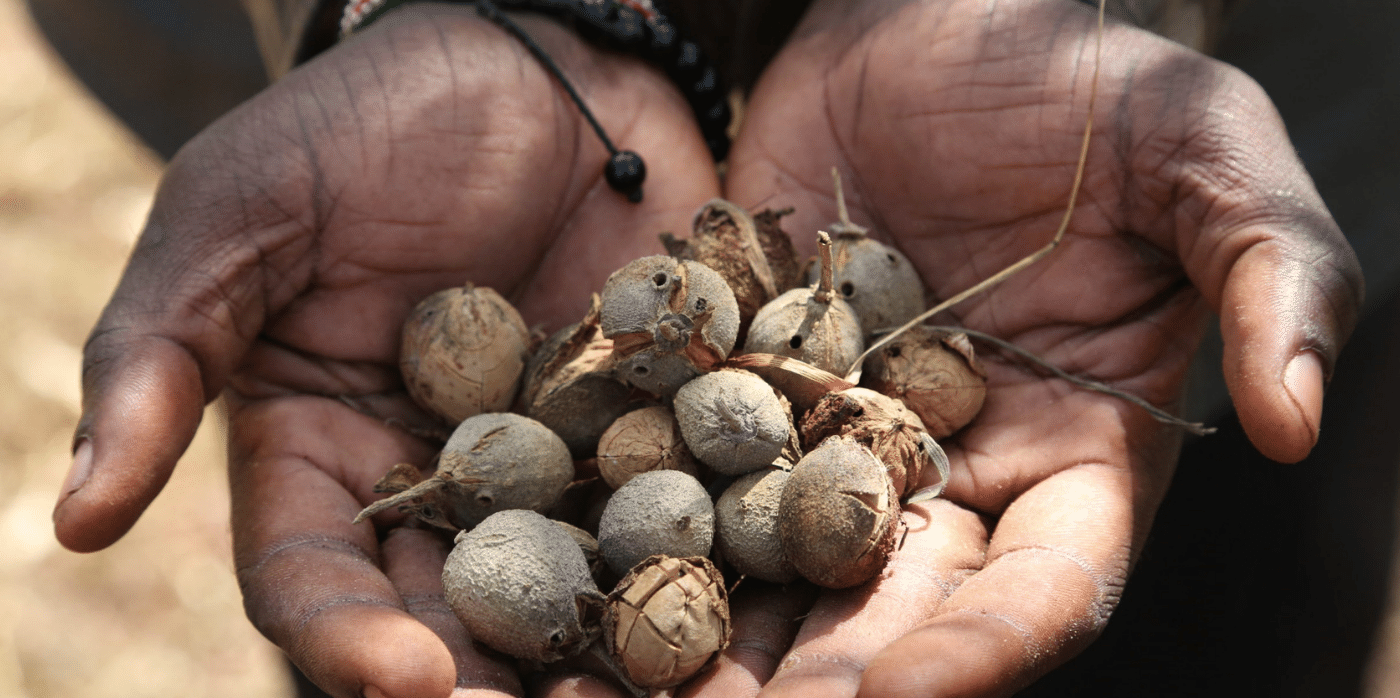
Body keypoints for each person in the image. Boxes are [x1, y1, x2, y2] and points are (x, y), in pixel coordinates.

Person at [35, 0, 1369, 696]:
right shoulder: (626, 441)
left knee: (1200, 608)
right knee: (405, 642)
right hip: (374, 121)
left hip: (1110, 220)